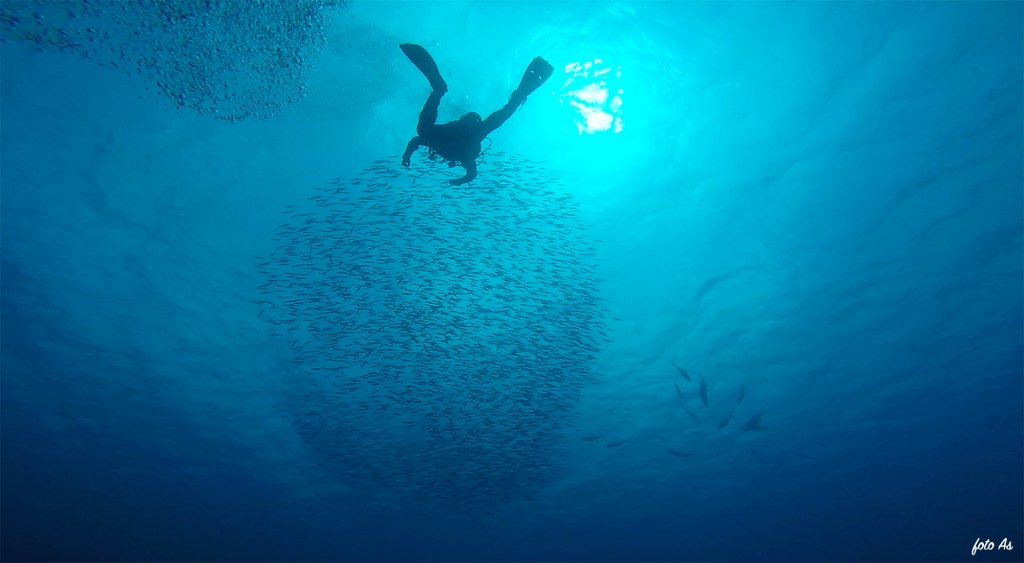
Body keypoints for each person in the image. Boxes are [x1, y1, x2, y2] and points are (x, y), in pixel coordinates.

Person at [399, 43, 554, 185]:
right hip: (467, 137)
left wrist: (407, 155)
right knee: (504, 114)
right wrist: (460, 181)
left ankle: (438, 90)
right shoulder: (467, 153)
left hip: (454, 136)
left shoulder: (461, 149)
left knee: (423, 132)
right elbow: (471, 174)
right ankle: (517, 97)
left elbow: (416, 141)